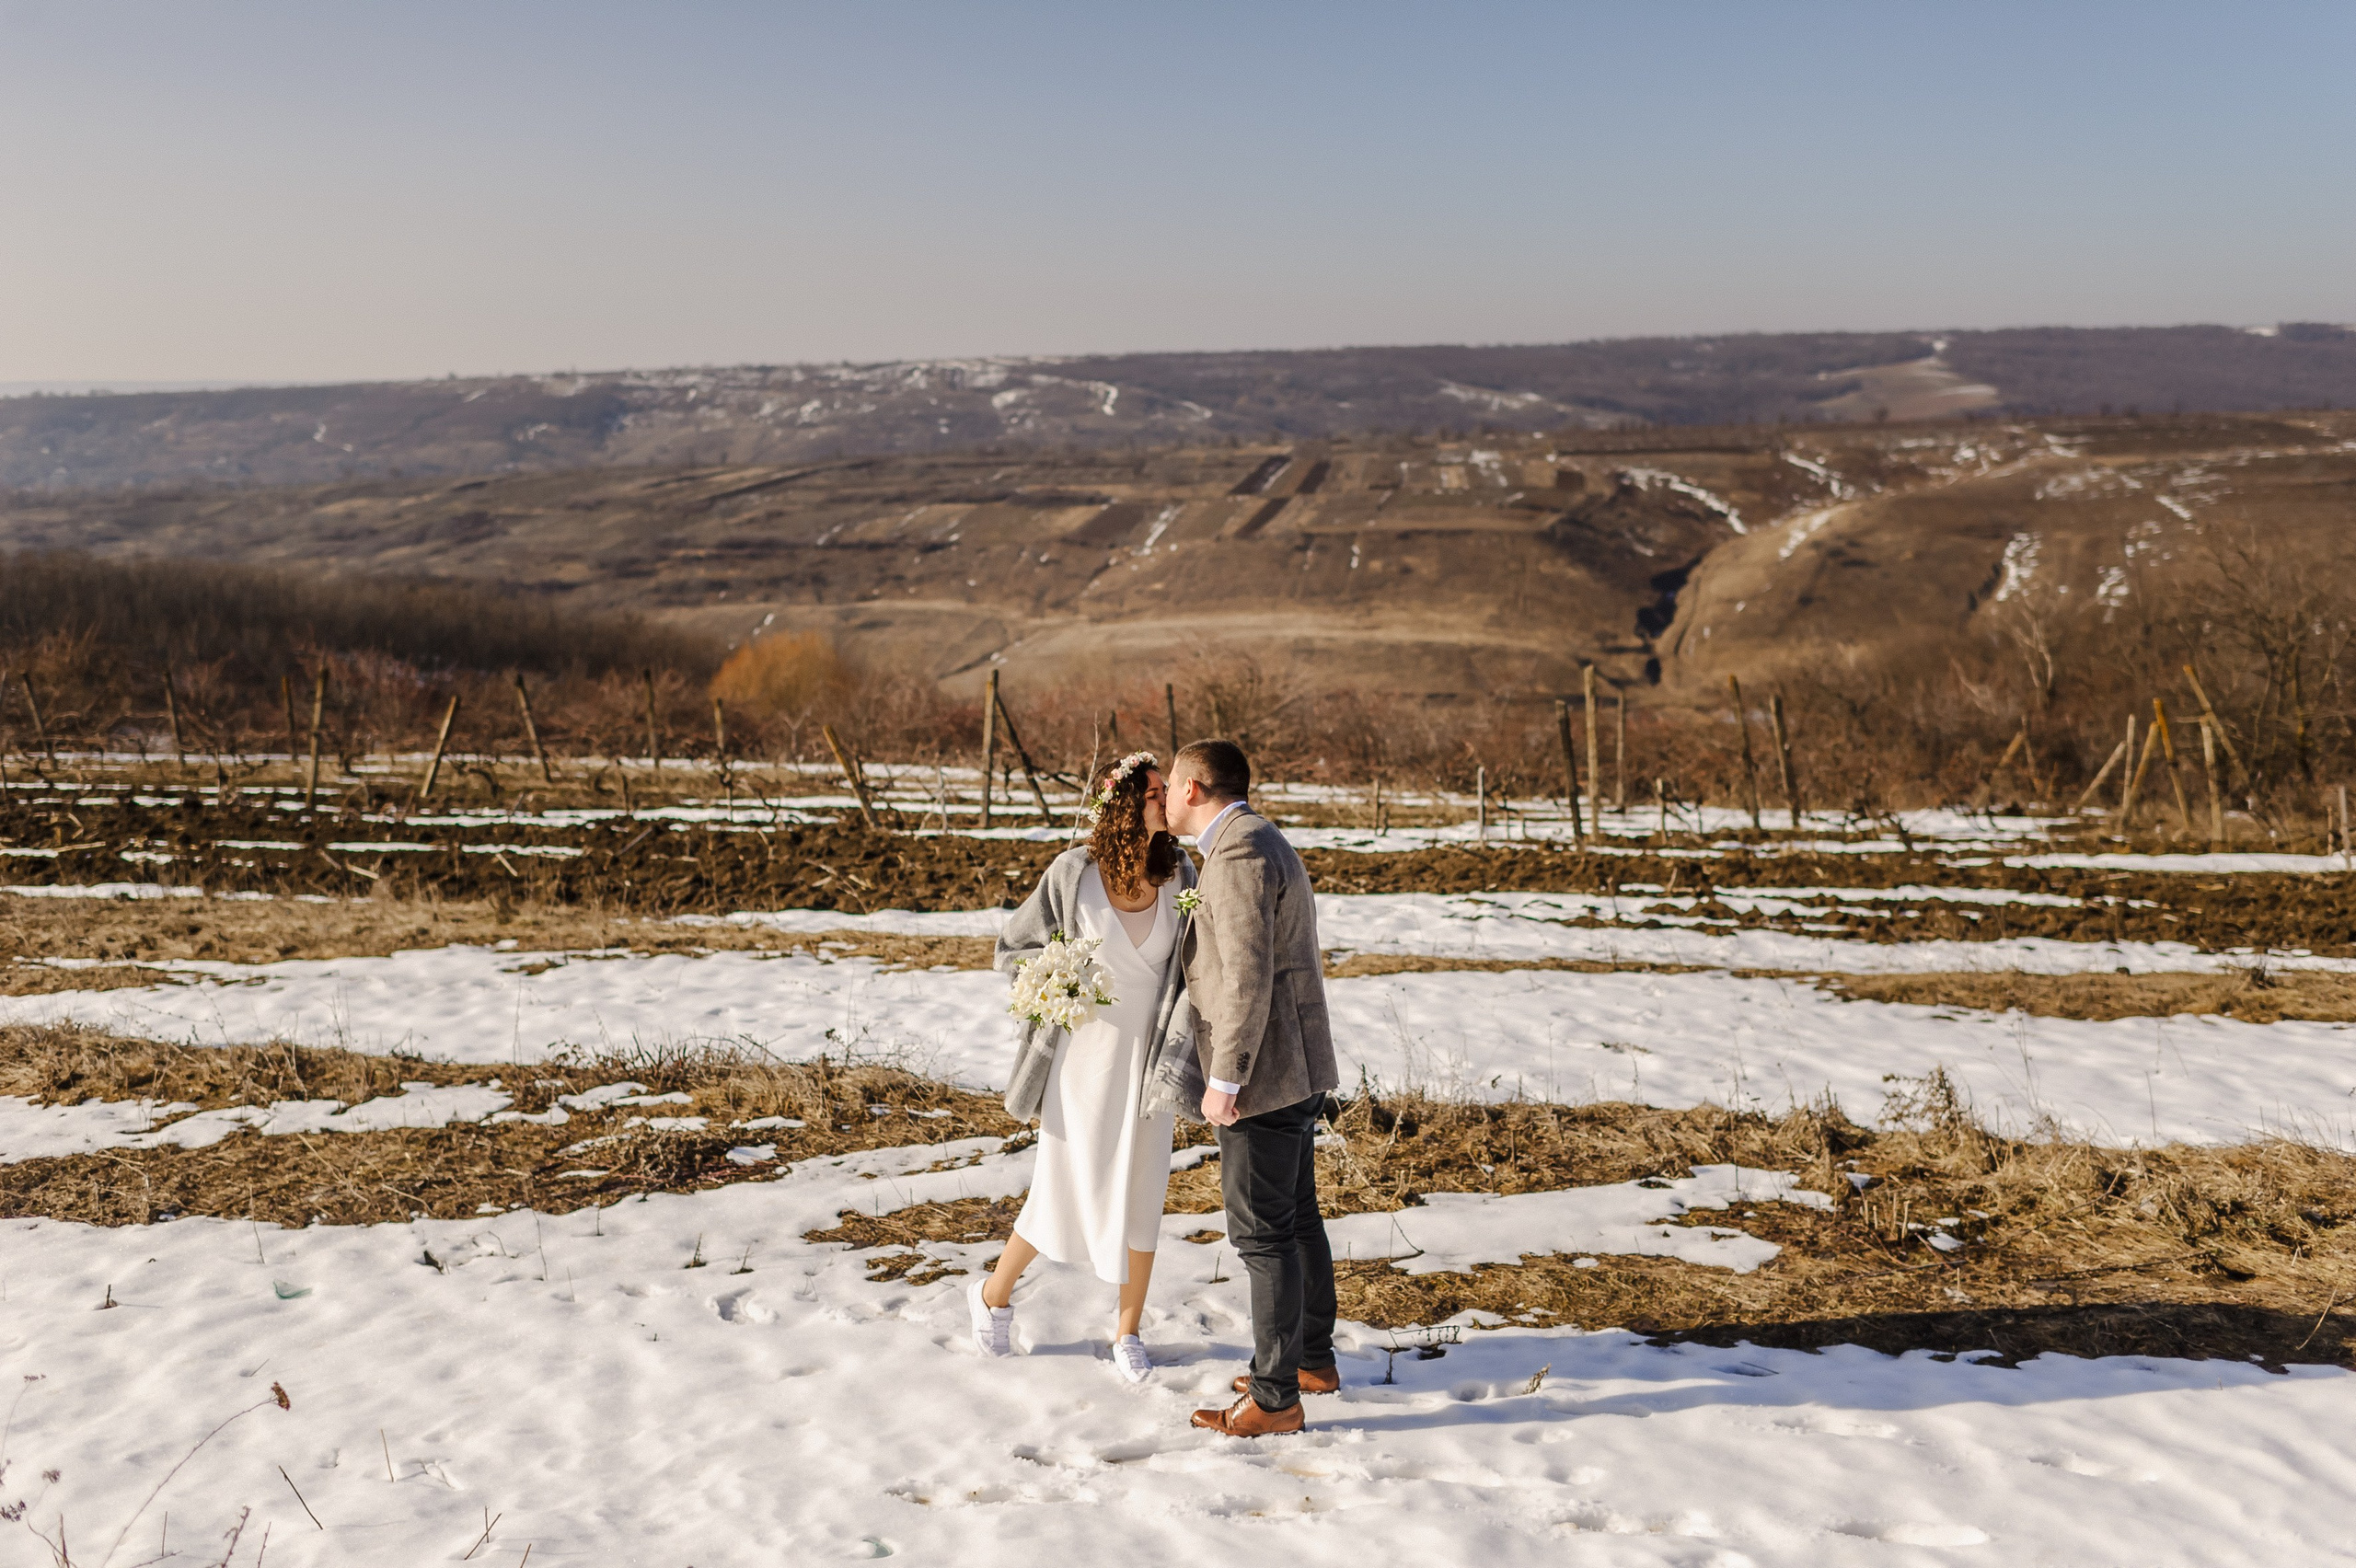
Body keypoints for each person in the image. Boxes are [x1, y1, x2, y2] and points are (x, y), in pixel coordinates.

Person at [969, 752, 1201, 1383]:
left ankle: (1128, 1332)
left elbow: (1195, 966)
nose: (1168, 801)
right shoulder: (1074, 874)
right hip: (1083, 1061)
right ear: (1127, 804)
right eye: (1156, 793)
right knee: (1061, 1192)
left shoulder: (1180, 875)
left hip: (1148, 1062)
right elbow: (1013, 948)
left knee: (1143, 1195)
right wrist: (1055, 983)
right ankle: (992, 1297)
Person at [1163, 738, 1340, 1437]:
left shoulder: (1235, 853)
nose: (1168, 797)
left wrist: (1225, 1076)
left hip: (1263, 1076)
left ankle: (1274, 1400)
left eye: (1173, 786)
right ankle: (1310, 1362)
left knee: (1262, 1236)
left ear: (1197, 786)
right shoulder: (1259, 837)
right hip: (1296, 1066)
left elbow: (1243, 975)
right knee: (1296, 1221)